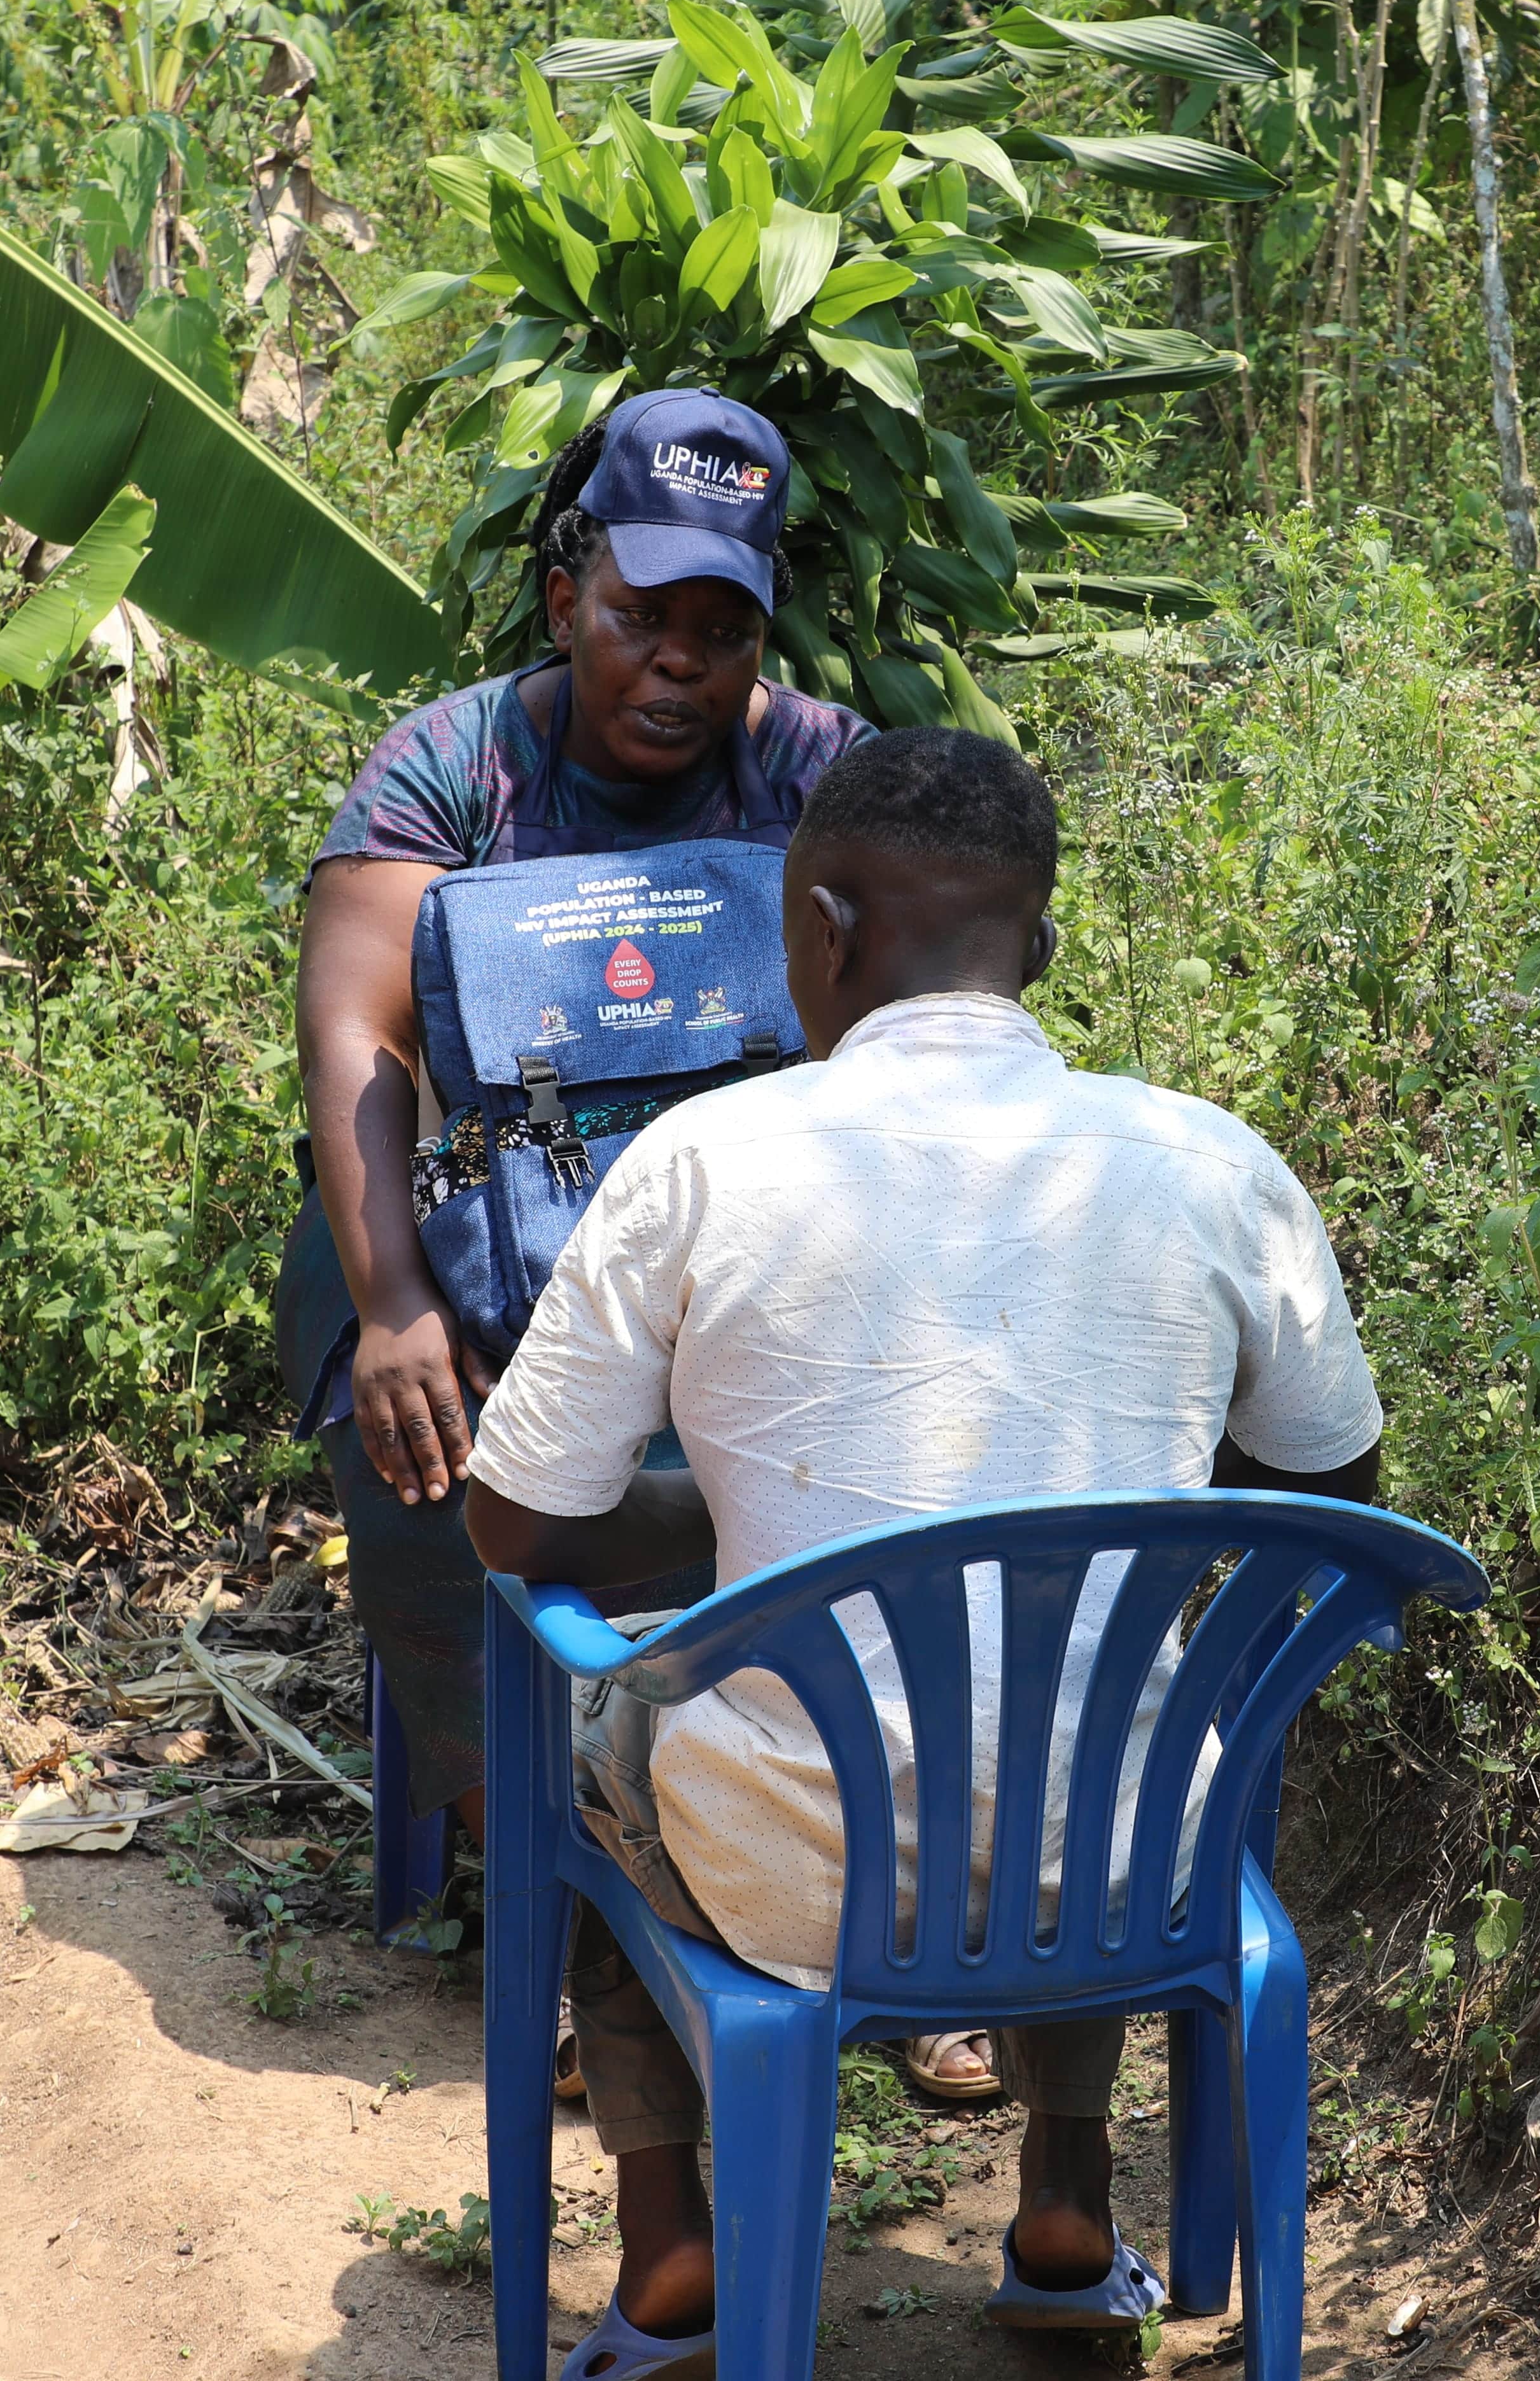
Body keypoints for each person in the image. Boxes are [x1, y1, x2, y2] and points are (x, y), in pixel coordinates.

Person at [461, 728, 1389, 2376]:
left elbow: (514, 1523)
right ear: (1038, 945)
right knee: (1094, 1696)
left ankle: (672, 2243)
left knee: (601, 1716)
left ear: (818, 928)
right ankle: (1068, 2208)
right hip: (1137, 1864)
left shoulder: (700, 1163)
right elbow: (1339, 1475)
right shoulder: (1213, 1162)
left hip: (801, 1879)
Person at [286, 387, 994, 2090]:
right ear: (565, 603)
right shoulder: (454, 767)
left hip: (749, 1222)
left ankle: (879, 1883)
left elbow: (928, 1015)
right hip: (493, 1197)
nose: (677, 666)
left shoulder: (820, 768)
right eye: (639, 620)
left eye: (719, 631)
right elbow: (366, 1041)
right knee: (427, 1467)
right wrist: (392, 1298)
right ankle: (562, 1895)